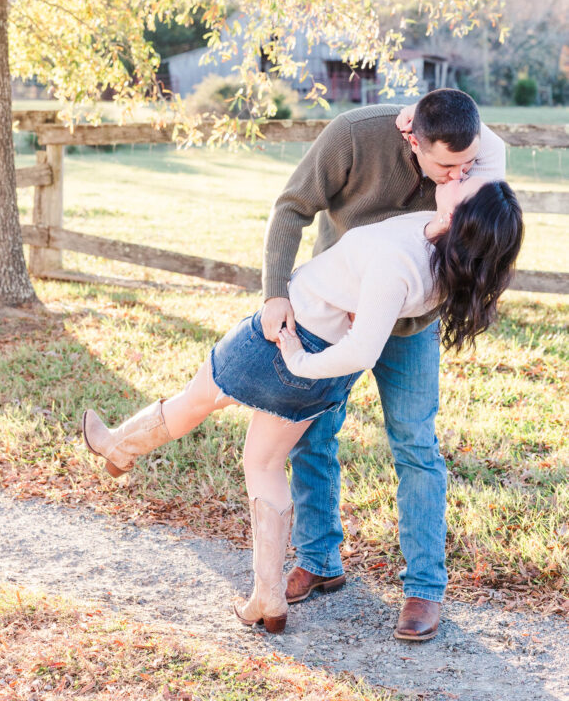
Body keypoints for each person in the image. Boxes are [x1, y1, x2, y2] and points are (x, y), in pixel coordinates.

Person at [83, 174, 522, 635]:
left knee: (197, 401)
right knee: (265, 462)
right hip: (313, 352)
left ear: (459, 215)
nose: (459, 176)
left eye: (466, 183)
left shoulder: (401, 263)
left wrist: (295, 359)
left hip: (288, 341)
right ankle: (266, 595)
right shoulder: (443, 247)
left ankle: (119, 447)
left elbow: (362, 350)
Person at [260, 88, 506, 641]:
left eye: (465, 165)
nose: (457, 178)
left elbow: (484, 210)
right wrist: (276, 292)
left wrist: (464, 161)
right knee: (313, 435)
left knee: (416, 446)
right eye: (446, 166)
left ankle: (424, 589)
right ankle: (320, 559)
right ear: (410, 136)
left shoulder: (473, 156)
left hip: (414, 322)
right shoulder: (354, 134)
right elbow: (291, 208)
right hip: (337, 314)